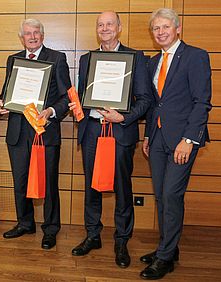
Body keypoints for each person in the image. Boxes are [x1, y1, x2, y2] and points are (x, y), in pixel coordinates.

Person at [68, 11, 152, 268]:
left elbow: (146, 100)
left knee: (122, 189)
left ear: (119, 28)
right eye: (100, 25)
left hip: (120, 132)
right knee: (91, 187)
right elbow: (82, 95)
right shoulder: (86, 60)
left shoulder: (135, 58)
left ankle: (122, 240)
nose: (105, 28)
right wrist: (77, 107)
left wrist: (123, 117)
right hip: (92, 130)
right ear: (97, 29)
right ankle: (93, 235)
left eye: (109, 24)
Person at [140, 8, 212, 280]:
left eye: (165, 27)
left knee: (171, 195)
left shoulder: (195, 56)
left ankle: (165, 257)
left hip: (183, 140)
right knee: (161, 196)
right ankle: (167, 248)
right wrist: (148, 135)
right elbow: (154, 105)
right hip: (157, 139)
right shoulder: (152, 62)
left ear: (177, 28)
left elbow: (202, 102)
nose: (160, 32)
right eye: (156, 28)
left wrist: (188, 140)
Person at [0, 19, 71, 249]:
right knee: (20, 182)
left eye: (36, 32)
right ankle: (25, 223)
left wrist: (51, 110)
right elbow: (7, 92)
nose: (32, 37)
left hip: (44, 133)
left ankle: (50, 229)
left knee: (48, 184)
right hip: (18, 132)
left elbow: (67, 97)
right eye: (28, 33)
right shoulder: (13, 60)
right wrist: (1, 104)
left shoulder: (57, 59)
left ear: (43, 34)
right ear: (22, 37)